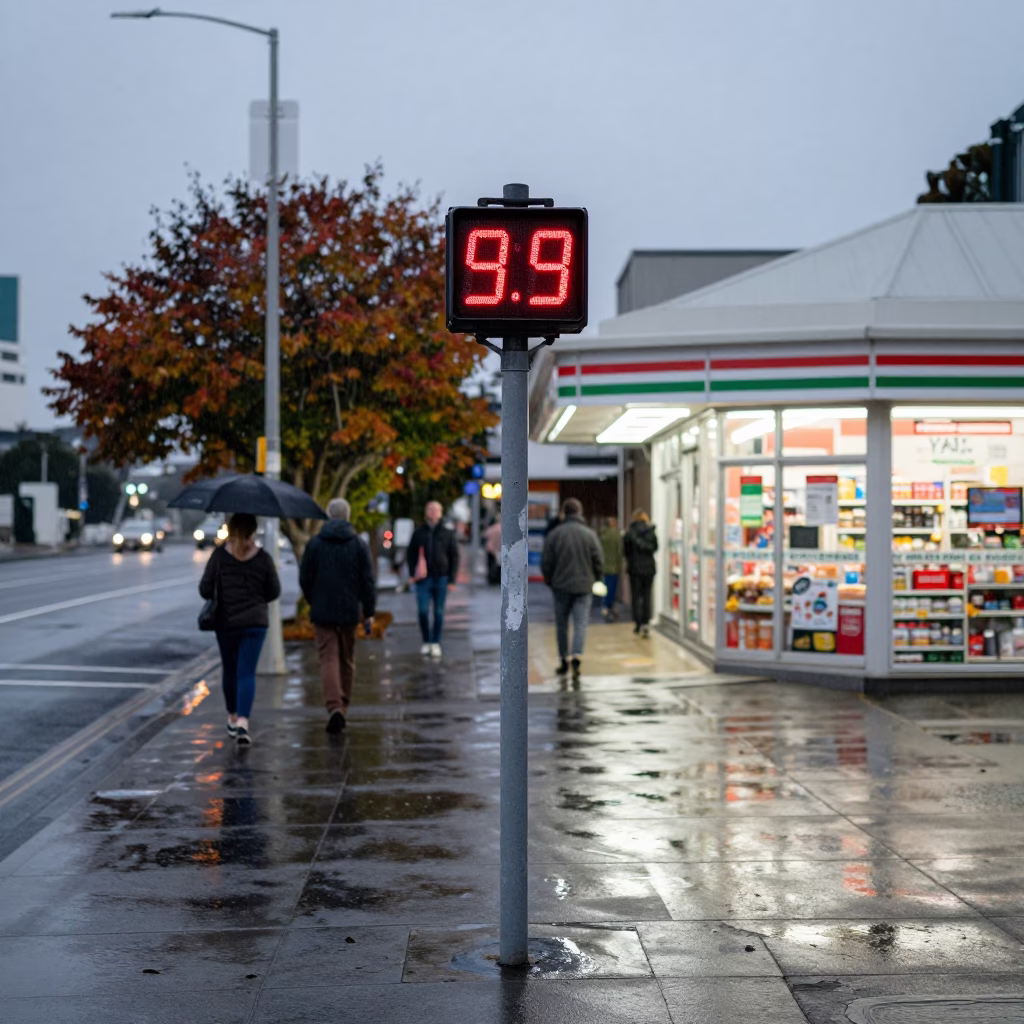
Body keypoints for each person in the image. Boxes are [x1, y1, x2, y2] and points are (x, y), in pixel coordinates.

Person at [199, 512, 281, 747]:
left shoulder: (219, 556)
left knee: (230, 670)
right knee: (246, 672)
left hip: (226, 623)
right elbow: (273, 591)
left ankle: (232, 717)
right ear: (253, 530)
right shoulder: (263, 558)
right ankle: (244, 721)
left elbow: (204, 589)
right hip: (255, 623)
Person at [299, 498, 377, 734]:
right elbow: (367, 581)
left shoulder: (315, 544)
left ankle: (334, 706)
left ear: (328, 516)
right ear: (348, 515)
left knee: (328, 659)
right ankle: (343, 704)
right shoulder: (358, 544)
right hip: (349, 611)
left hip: (322, 611)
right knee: (346, 659)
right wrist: (369, 611)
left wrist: (315, 600)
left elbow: (305, 579)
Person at [541, 497, 603, 679]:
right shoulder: (589, 534)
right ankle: (577, 655)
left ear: (564, 513)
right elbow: (598, 559)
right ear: (579, 512)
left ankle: (563, 659)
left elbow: (546, 562)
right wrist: (597, 578)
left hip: (560, 587)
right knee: (581, 623)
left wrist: (550, 581)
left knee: (561, 625)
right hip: (584, 586)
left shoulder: (555, 535)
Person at [407, 501, 459, 658]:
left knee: (438, 611)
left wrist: (452, 579)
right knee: (423, 611)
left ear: (441, 513)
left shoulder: (447, 533)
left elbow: (454, 556)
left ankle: (435, 642)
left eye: (436, 509)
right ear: (425, 512)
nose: (433, 512)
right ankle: (426, 640)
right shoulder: (419, 532)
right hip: (423, 578)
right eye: (430, 509)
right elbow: (411, 554)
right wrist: (411, 574)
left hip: (441, 577)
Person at [623, 509, 658, 638]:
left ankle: (637, 623)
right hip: (649, 568)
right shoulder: (651, 531)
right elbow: (655, 548)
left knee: (636, 596)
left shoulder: (629, 533)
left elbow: (625, 552)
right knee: (647, 595)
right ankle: (646, 622)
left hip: (634, 569)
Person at [598, 515, 623, 621]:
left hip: (603, 566)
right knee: (611, 588)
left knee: (604, 587)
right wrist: (619, 565)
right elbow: (619, 551)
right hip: (613, 566)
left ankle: (604, 606)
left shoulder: (601, 534)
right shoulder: (616, 535)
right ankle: (609, 606)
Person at [484, 512, 502, 586]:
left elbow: (485, 535)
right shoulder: (504, 528)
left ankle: (491, 579)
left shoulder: (492, 528)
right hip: (499, 549)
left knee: (490, 564)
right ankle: (498, 579)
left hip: (490, 549)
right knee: (499, 566)